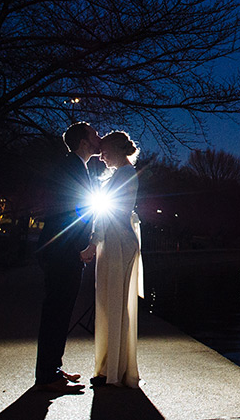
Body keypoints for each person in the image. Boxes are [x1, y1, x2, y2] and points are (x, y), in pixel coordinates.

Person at [33, 122, 100, 393]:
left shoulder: (74, 165)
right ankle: (48, 377)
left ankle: (53, 369)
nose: (99, 139)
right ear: (83, 143)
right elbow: (71, 213)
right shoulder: (71, 167)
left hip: (61, 251)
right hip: (63, 253)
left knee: (59, 312)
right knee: (56, 313)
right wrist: (81, 247)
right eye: (94, 135)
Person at [80, 130, 143, 387]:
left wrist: (93, 244)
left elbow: (108, 212)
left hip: (116, 243)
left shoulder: (123, 175)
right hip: (120, 241)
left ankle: (111, 371)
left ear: (116, 150)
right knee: (115, 306)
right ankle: (114, 368)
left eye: (104, 152)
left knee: (112, 306)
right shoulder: (126, 174)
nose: (101, 157)